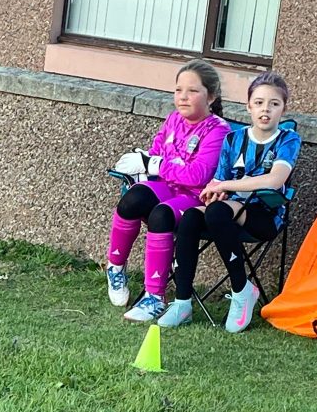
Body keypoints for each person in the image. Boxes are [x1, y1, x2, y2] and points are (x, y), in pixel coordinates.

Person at [158, 71, 300, 333]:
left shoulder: (287, 139)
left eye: (274, 104)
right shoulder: (233, 139)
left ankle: (241, 289)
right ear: (248, 107)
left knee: (216, 213)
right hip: (226, 212)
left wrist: (225, 187)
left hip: (265, 215)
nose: (265, 110)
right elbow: (218, 180)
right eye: (259, 103)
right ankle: (182, 302)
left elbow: (275, 179)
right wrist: (214, 191)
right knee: (192, 217)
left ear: (284, 108)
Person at [105, 60, 229, 322]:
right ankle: (115, 266)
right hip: (168, 187)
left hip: (196, 197)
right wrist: (147, 163)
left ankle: (154, 297)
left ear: (211, 97)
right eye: (178, 90)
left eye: (192, 91)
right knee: (133, 198)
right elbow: (156, 152)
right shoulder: (173, 119)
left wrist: (156, 164)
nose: (183, 97)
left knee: (161, 214)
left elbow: (198, 175)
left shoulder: (218, 130)